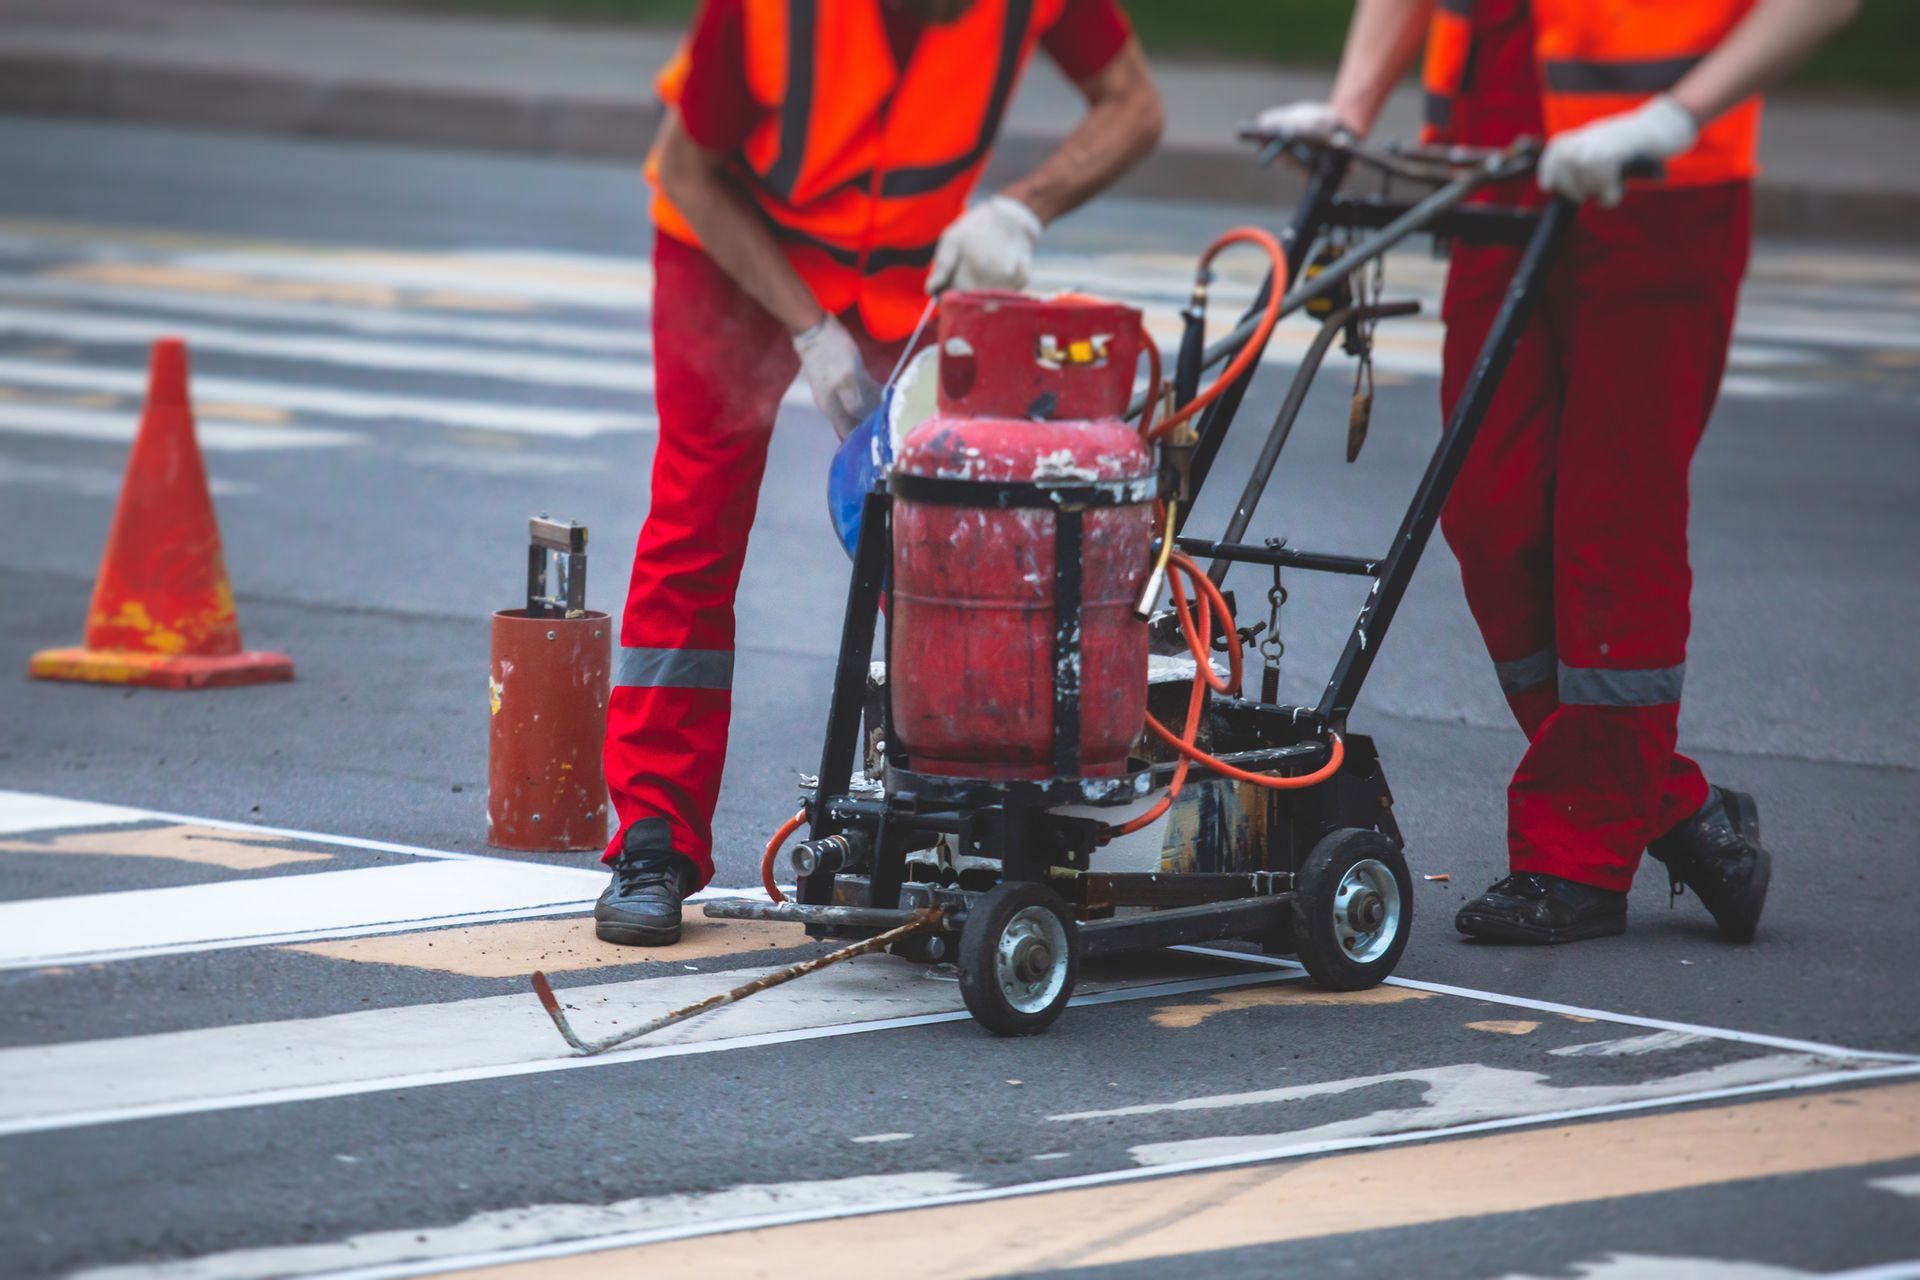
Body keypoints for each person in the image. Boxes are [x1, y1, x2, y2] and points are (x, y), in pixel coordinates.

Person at [1258, 0, 1857, 945]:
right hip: (1494, 167)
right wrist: (1351, 105)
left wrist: (1680, 113)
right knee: (1489, 516)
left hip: (1656, 183)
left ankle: (1575, 853)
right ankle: (1676, 806)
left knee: (1614, 526)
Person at [599, 0, 1165, 946]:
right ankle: (653, 838)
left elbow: (1134, 107)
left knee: (945, 540)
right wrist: (810, 331)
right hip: (731, 250)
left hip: (905, 267)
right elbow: (690, 168)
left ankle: (945, 815)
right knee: (696, 515)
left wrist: (1026, 207)